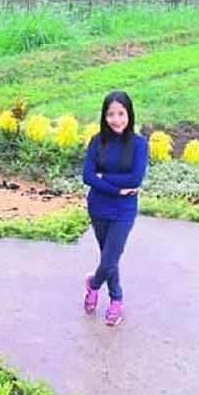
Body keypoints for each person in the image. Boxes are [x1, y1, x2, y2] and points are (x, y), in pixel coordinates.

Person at [81, 90, 149, 326]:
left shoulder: (140, 144)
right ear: (105, 116)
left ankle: (100, 288)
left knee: (110, 259)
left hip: (124, 210)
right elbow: (87, 176)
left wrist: (104, 178)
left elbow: (135, 179)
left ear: (129, 114)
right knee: (108, 257)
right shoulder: (97, 141)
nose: (116, 119)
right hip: (98, 206)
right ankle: (114, 298)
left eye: (121, 113)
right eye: (111, 114)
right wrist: (116, 188)